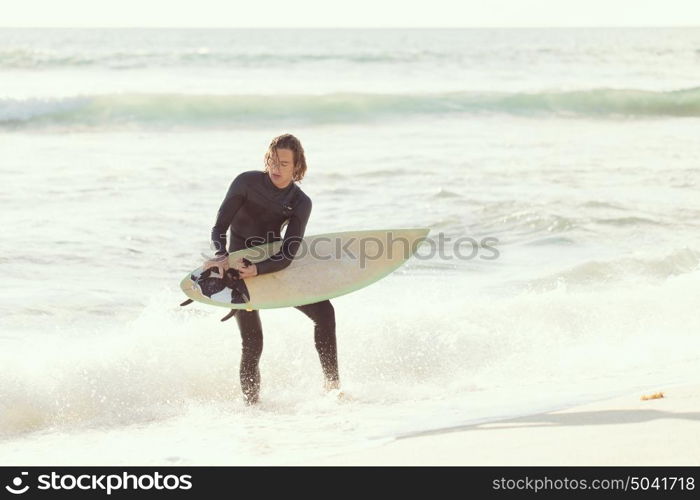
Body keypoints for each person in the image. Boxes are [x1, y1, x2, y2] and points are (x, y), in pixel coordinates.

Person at [205, 134, 339, 405]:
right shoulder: (246, 182)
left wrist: (260, 269)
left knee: (324, 312)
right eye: (272, 161)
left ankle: (333, 386)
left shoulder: (301, 202)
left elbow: (289, 252)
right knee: (253, 342)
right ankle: (251, 406)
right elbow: (219, 228)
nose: (276, 168)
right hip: (239, 272)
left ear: (297, 167)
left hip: (271, 266)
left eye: (284, 163)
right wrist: (221, 256)